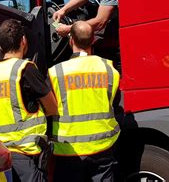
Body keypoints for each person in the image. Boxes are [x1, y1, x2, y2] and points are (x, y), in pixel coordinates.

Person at [0, 19, 58, 182]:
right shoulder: (26, 69)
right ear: (23, 41)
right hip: (25, 156)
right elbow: (52, 108)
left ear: (0, 47)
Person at [48, 21, 120, 182]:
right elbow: (113, 101)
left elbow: (48, 107)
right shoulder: (110, 69)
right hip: (103, 145)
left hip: (68, 149)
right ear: (93, 40)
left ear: (71, 40)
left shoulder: (55, 72)